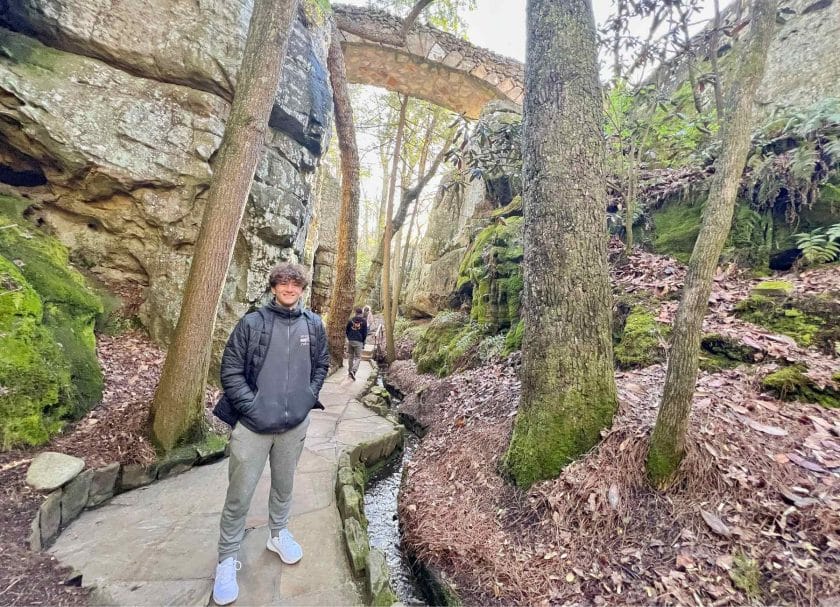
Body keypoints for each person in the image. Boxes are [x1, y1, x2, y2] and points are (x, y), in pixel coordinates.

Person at [211, 262, 329, 605]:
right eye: (283, 283)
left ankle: (277, 534)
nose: (289, 289)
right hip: (253, 428)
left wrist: (308, 397)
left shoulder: (313, 325)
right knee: (239, 495)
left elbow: (322, 363)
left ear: (302, 288)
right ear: (274, 287)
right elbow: (230, 370)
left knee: (284, 486)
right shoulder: (253, 323)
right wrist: (253, 407)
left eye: (295, 284)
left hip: (294, 428)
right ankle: (227, 556)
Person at [345, 307, 368, 380]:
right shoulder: (364, 321)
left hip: (351, 340)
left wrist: (349, 338)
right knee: (358, 357)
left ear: (355, 313)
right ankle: (354, 371)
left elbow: (347, 330)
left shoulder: (350, 320)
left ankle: (349, 371)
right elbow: (365, 333)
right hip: (359, 341)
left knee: (351, 356)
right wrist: (363, 341)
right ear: (361, 313)